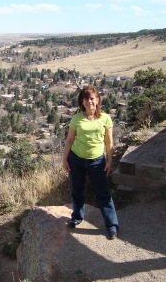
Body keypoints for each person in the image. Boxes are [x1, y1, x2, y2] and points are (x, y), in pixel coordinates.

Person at [62, 86, 119, 239]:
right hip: (76, 159)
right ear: (82, 101)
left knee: (103, 193)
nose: (89, 101)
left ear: (97, 100)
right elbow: (69, 141)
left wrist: (109, 161)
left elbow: (109, 142)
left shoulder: (105, 118)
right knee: (77, 190)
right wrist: (64, 160)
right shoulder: (76, 119)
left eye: (92, 98)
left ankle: (112, 225)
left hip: (97, 161)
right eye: (86, 99)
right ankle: (77, 217)